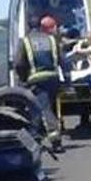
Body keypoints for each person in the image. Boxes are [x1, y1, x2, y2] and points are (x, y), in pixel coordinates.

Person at [14, 16, 63, 151]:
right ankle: (37, 137)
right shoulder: (52, 39)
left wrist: (23, 79)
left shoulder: (25, 41)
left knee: (44, 109)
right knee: (46, 108)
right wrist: (67, 79)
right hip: (53, 79)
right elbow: (62, 60)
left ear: (28, 27)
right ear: (41, 26)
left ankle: (55, 141)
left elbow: (18, 63)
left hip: (36, 81)